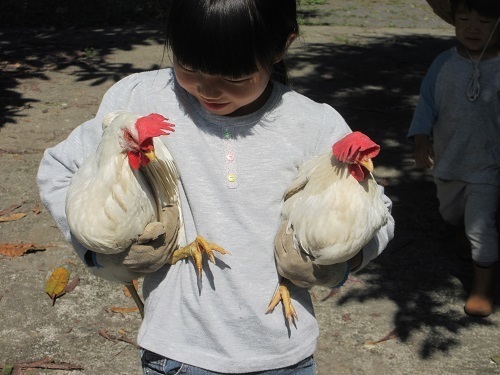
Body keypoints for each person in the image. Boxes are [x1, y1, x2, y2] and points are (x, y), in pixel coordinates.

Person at [37, 0, 394, 373]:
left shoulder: (314, 124)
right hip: (176, 352)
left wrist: (338, 263)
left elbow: (379, 216)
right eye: (188, 67)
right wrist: (99, 252)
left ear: (281, 46)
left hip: (283, 352)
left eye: (235, 77)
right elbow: (59, 170)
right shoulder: (138, 101)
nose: (207, 89)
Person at [408, 0, 500, 318]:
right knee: (451, 213)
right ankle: (462, 229)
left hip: (488, 164)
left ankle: (482, 287)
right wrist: (421, 139)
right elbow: (426, 105)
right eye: (464, 18)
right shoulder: (443, 64)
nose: (473, 28)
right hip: (449, 160)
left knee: (481, 226)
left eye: (485, 21)